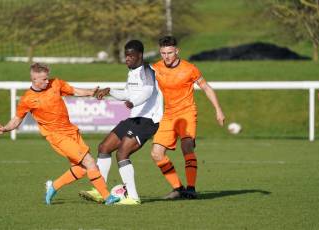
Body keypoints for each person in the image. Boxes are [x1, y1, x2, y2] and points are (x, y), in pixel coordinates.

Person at [0, 62, 120, 205]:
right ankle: (108, 197)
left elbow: (74, 90)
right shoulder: (27, 99)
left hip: (71, 131)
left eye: (48, 78)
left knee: (81, 169)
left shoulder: (56, 83)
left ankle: (53, 186)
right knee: (90, 161)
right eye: (44, 79)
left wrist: (90, 92)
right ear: (34, 79)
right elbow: (17, 120)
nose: (48, 81)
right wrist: (5, 128)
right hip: (57, 137)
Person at [79, 40, 163, 205]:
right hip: (134, 118)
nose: (127, 58)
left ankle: (133, 197)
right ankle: (100, 191)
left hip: (148, 120)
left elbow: (148, 90)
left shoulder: (147, 70)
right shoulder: (132, 72)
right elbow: (126, 94)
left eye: (131, 55)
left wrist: (134, 102)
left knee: (122, 153)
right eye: (126, 55)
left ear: (140, 55)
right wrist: (110, 91)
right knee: (104, 147)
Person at [151, 36, 225, 199]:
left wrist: (218, 109)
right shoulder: (155, 68)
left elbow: (206, 87)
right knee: (156, 153)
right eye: (163, 53)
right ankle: (178, 188)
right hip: (168, 115)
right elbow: (144, 88)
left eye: (170, 52)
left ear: (177, 51)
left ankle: (191, 188)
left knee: (186, 146)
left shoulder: (189, 69)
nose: (167, 56)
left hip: (186, 113)